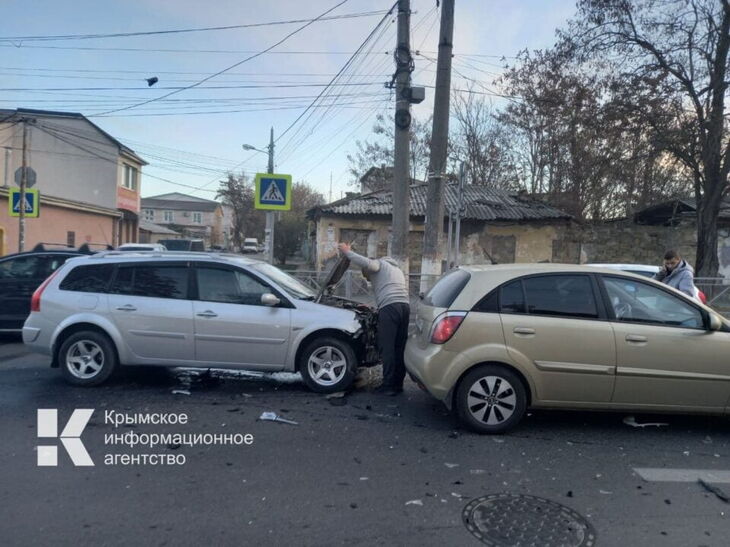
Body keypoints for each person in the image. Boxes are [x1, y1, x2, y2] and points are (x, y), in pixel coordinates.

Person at [338, 242, 410, 396]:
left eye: (367, 275)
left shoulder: (379, 264)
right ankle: (398, 384)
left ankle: (388, 386)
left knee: (387, 347)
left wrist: (347, 252)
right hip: (404, 307)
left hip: (390, 308)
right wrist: (374, 307)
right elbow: (389, 292)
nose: (368, 279)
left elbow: (368, 264)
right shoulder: (396, 269)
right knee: (399, 348)